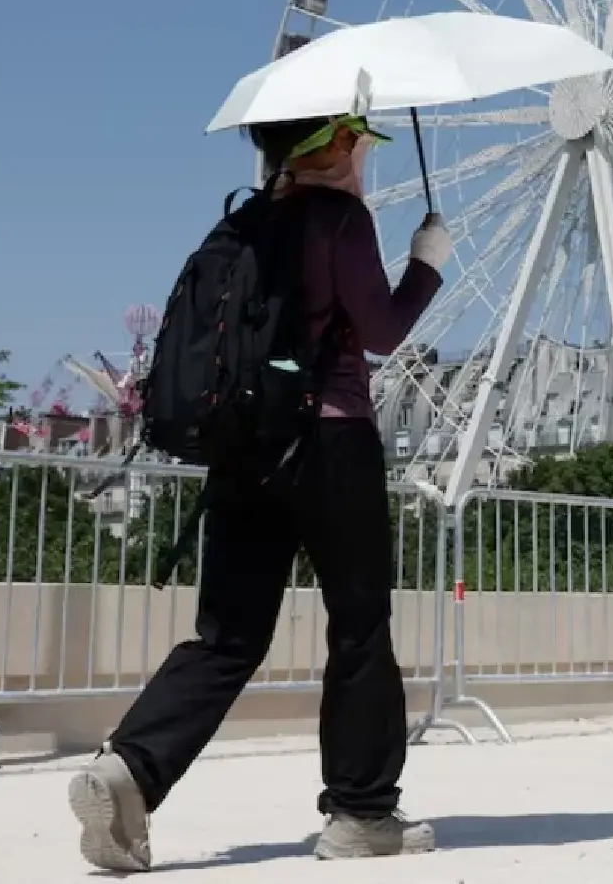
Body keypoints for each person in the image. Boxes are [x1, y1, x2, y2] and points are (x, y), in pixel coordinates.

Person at [68, 113, 451, 870]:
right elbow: (381, 330)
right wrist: (427, 265)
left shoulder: (238, 225)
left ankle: (129, 768)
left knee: (227, 635)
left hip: (243, 449)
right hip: (331, 440)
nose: (365, 156)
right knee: (359, 626)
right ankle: (361, 813)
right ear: (336, 146)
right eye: (361, 142)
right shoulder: (339, 220)